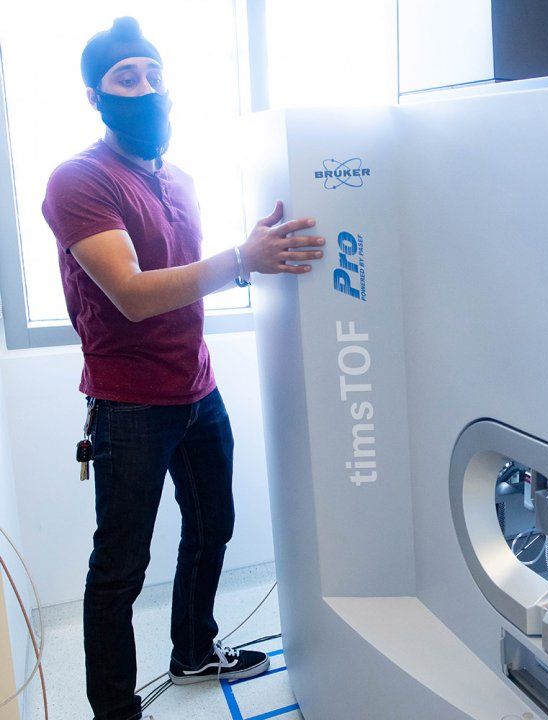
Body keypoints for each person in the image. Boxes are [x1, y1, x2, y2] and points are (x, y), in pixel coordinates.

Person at [41, 16, 324, 720]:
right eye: (125, 79)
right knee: (119, 569)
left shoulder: (180, 178)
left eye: (153, 74)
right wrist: (240, 261)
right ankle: (115, 711)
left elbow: (184, 275)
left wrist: (263, 256)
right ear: (94, 96)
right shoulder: (78, 180)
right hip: (131, 404)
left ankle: (193, 650)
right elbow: (133, 295)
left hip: (197, 388)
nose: (145, 88)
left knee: (213, 524)